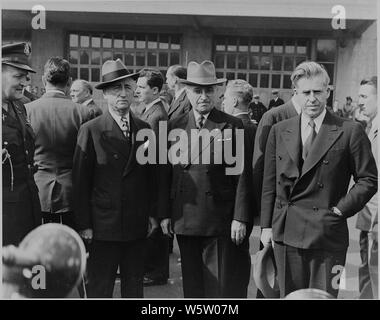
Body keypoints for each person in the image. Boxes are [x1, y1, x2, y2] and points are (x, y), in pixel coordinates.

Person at [260, 61, 377, 298]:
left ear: (328, 91)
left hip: (327, 235)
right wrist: (265, 226)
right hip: (286, 233)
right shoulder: (280, 130)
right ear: (296, 93)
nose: (312, 98)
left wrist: (339, 211)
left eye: (317, 92)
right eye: (306, 92)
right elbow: (269, 183)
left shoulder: (348, 130)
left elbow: (368, 179)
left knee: (323, 297)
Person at [160, 60, 250, 298]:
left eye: (208, 90)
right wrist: (164, 213)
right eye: (197, 90)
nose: (203, 96)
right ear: (187, 92)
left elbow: (241, 176)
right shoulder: (173, 125)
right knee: (192, 287)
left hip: (218, 218)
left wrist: (240, 217)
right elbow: (166, 175)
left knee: (217, 288)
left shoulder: (232, 125)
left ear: (218, 92)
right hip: (185, 217)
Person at [72, 58, 158, 298]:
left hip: (135, 225)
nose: (122, 94)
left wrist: (152, 213)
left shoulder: (145, 129)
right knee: (100, 288)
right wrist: (85, 224)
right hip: (102, 227)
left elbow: (152, 177)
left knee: (134, 289)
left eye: (128, 88)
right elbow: (80, 183)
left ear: (134, 93)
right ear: (105, 95)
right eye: (115, 89)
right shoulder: (91, 130)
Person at [27, 57, 91, 228]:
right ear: (69, 82)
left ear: (43, 79)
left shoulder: (27, 111)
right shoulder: (84, 113)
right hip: (73, 193)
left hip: (37, 191)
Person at [2, 42, 42, 246]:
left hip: (27, 204)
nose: (23, 83)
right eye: (17, 76)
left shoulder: (20, 107)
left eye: (25, 78)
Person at [222, 79, 257, 297]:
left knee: (229, 264)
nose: (223, 102)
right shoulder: (256, 127)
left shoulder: (234, 128)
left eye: (225, 98)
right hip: (248, 207)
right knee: (239, 260)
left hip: (233, 207)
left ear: (234, 100)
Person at [135, 68, 169, 287]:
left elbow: (152, 155)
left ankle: (156, 272)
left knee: (154, 228)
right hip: (152, 180)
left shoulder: (156, 116)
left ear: (155, 90)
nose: (137, 91)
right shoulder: (148, 111)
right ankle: (151, 269)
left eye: (141, 87)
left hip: (154, 180)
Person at [355, 76, 378, 299]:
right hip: (368, 217)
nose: (359, 101)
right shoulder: (371, 127)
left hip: (377, 221)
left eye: (364, 96)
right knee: (367, 272)